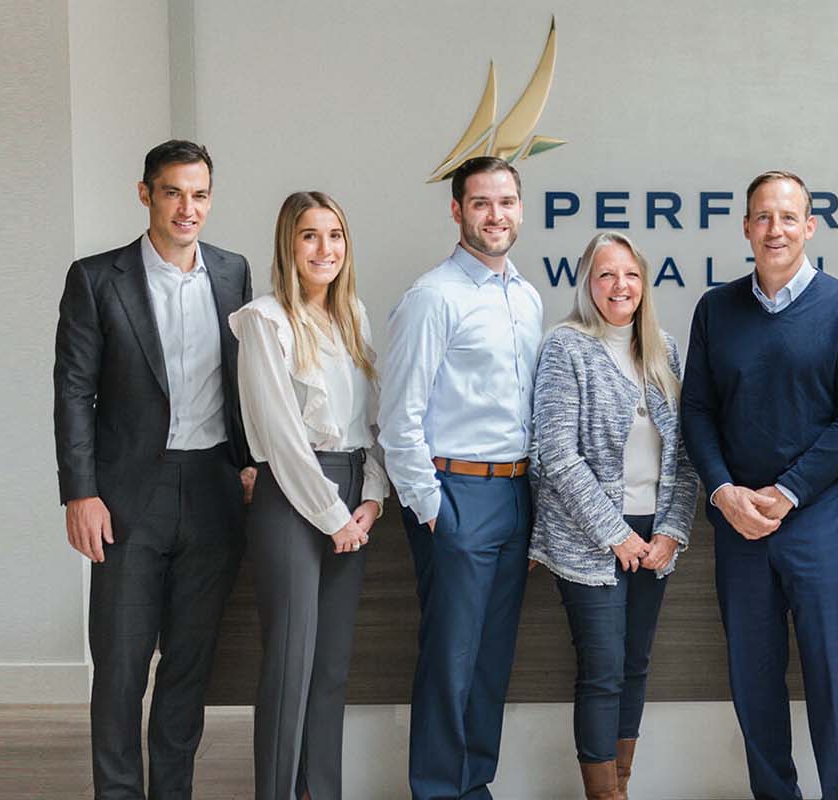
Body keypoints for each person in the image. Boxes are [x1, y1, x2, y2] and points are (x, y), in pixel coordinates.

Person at [53, 139, 255, 799]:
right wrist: (80, 493)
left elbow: (248, 381)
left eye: (199, 195)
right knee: (120, 668)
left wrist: (251, 462)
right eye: (173, 193)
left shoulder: (232, 272)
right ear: (146, 194)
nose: (186, 208)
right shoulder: (95, 278)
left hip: (214, 491)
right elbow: (73, 391)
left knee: (189, 669)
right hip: (126, 498)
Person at [680, 170, 838, 800]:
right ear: (746, 227)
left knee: (833, 682)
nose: (776, 229)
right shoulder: (716, 309)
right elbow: (697, 412)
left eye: (788, 217)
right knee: (754, 681)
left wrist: (789, 490)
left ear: (810, 227)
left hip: (819, 521)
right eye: (763, 217)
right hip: (739, 522)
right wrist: (723, 492)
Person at [378, 156, 543, 800]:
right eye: (480, 203)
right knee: (450, 661)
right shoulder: (433, 297)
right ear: (457, 211)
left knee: (492, 659)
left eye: (506, 202)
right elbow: (399, 417)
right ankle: (439, 791)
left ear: (520, 209)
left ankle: (474, 786)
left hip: (515, 492)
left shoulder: (525, 297)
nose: (495, 215)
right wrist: (431, 508)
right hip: (456, 494)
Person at [529, 232, 700, 800]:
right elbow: (556, 452)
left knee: (635, 664)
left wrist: (672, 531)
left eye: (629, 274)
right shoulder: (567, 346)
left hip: (654, 535)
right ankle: (604, 794)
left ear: (643, 283)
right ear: (587, 284)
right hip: (591, 539)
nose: (619, 285)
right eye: (605, 275)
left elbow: (684, 454)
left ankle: (620, 785)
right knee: (602, 668)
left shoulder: (663, 349)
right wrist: (614, 533)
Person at [231, 191, 388, 800]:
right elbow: (279, 435)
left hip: (352, 492)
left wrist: (371, 498)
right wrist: (332, 516)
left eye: (335, 235)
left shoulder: (354, 318)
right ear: (288, 245)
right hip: (293, 496)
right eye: (310, 236)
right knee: (289, 666)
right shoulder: (263, 320)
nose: (326, 249)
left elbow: (372, 422)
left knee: (330, 669)